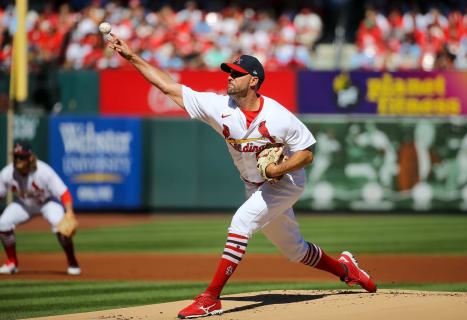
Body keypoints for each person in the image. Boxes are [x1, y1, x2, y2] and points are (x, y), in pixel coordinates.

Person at [108, 34, 376, 319]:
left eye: (237, 74)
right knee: (294, 250)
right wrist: (132, 57)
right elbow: (169, 88)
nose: (229, 77)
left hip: (286, 183)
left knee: (241, 222)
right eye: (228, 72)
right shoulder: (220, 107)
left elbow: (307, 154)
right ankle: (347, 269)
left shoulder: (279, 116)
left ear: (254, 80)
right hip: (254, 186)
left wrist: (278, 169)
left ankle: (210, 298)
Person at [0, 141, 81, 275]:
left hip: (47, 203)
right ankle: (12, 263)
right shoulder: (7, 173)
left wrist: (70, 212)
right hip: (24, 204)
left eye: (22, 156)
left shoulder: (44, 171)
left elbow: (63, 193)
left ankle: (72, 261)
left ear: (30, 157)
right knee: (2, 223)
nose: (18, 160)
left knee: (61, 226)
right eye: (16, 156)